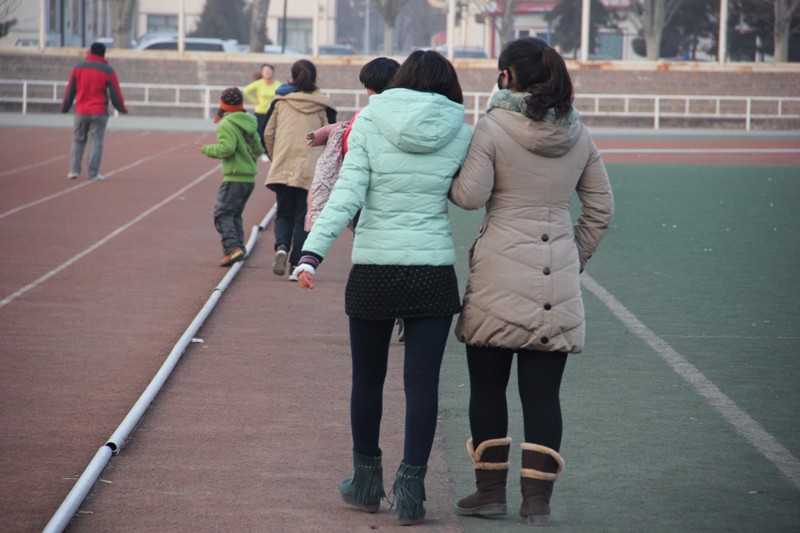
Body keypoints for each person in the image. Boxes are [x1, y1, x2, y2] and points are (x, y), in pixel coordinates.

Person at [291, 50, 473, 525]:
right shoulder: (461, 131)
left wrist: (311, 254)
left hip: (374, 267)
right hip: (433, 269)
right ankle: (411, 495)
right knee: (423, 385)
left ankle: (366, 484)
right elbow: (471, 195)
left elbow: (346, 194)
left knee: (367, 379)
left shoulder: (369, 122)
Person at [448, 37, 614, 526]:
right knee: (543, 395)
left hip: (497, 272)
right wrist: (572, 257)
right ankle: (537, 502)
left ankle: (489, 492)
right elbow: (601, 209)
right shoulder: (578, 133)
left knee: (487, 386)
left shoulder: (492, 126)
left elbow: (470, 196)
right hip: (554, 278)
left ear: (507, 77)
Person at [263, 59, 337, 280]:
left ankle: (281, 247)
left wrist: (275, 156)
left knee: (283, 212)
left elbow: (267, 132)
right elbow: (332, 138)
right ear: (314, 78)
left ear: (293, 76)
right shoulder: (323, 105)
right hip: (310, 168)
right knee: (304, 217)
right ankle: (296, 264)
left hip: (284, 164)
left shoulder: (280, 102)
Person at [198, 87, 264, 267]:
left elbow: (226, 149)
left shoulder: (226, 124)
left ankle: (232, 248)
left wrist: (206, 149)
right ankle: (240, 248)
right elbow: (259, 149)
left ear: (223, 104)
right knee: (234, 214)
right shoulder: (250, 122)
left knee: (223, 213)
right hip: (249, 178)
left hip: (234, 176)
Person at [61, 42, 128, 181]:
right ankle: (93, 173)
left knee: (78, 140)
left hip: (81, 111)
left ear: (90, 52)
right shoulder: (107, 70)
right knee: (96, 142)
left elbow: (70, 90)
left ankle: (73, 170)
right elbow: (115, 93)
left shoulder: (78, 68)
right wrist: (122, 108)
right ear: (103, 54)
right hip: (99, 112)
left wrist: (65, 107)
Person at [243, 63, 281, 160]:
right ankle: (257, 151)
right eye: (265, 71)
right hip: (260, 112)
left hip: (272, 113)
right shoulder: (259, 83)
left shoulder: (278, 84)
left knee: (270, 133)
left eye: (269, 70)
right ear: (262, 73)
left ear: (273, 72)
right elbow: (246, 90)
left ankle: (267, 152)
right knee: (258, 133)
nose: (267, 72)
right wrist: (254, 100)